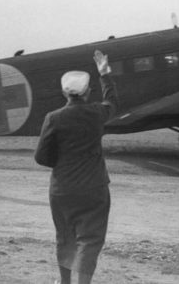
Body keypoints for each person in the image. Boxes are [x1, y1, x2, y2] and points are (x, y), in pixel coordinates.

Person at [34, 50, 118, 284]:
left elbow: (41, 157)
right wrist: (104, 74)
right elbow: (112, 102)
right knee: (89, 241)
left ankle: (65, 282)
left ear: (64, 93)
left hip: (62, 190)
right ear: (88, 92)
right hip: (94, 189)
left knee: (65, 239)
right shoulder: (97, 113)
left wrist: (61, 164)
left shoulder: (53, 118)